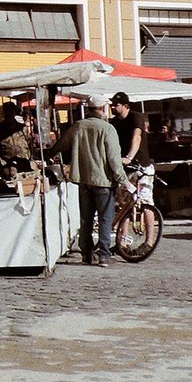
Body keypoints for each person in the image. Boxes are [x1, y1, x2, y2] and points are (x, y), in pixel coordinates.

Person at [52, 97, 128, 267]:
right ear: (102, 108)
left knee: (86, 219)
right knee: (105, 219)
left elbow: (61, 145)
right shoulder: (108, 129)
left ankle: (86, 254)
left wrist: (48, 153)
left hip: (83, 180)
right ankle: (103, 255)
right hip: (103, 181)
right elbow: (114, 160)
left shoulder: (79, 126)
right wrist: (124, 181)